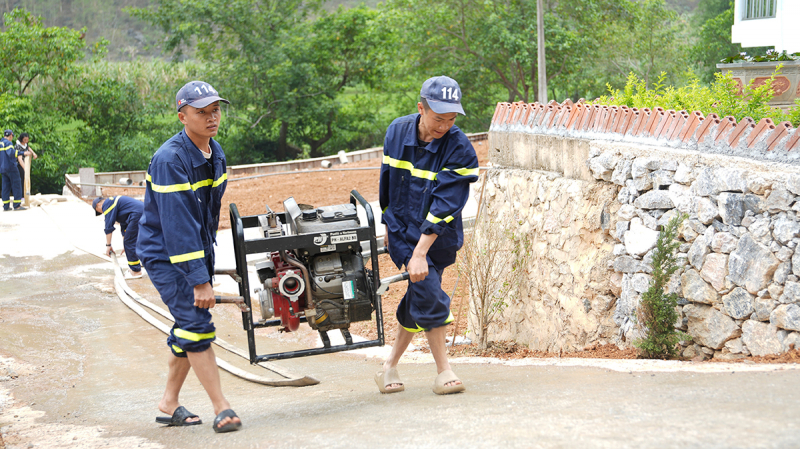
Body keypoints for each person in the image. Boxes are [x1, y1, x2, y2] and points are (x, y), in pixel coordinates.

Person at [137, 81, 241, 433]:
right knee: (197, 325)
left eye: (215, 110)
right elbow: (178, 225)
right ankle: (222, 408)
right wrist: (199, 280)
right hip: (165, 254)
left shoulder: (215, 152)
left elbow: (208, 214)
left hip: (194, 249)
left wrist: (206, 264)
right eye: (201, 112)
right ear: (183, 117)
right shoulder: (170, 160)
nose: (212, 118)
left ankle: (169, 404)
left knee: (187, 322)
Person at [376, 76, 479, 395]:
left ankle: (388, 367)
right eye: (438, 119)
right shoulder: (396, 132)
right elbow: (386, 185)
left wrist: (421, 252)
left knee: (418, 293)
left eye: (451, 119)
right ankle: (444, 371)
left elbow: (446, 204)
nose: (444, 126)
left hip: (438, 240)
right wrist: (390, 230)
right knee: (429, 291)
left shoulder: (459, 149)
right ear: (421, 109)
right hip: (402, 234)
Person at [92, 195, 144, 279]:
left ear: (98, 205)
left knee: (130, 241)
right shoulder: (117, 205)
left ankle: (136, 271)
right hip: (143, 212)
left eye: (99, 211)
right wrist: (125, 245)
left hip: (137, 214)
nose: (103, 213)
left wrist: (108, 245)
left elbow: (108, 226)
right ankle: (145, 262)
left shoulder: (107, 203)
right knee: (137, 240)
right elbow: (124, 227)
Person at [0, 129, 26, 211]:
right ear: (11, 135)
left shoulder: (1, 143)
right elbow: (11, 153)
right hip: (11, 167)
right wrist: (23, 153)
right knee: (17, 185)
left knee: (5, 187)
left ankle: (6, 206)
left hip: (3, 168)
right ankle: (17, 205)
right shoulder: (8, 143)